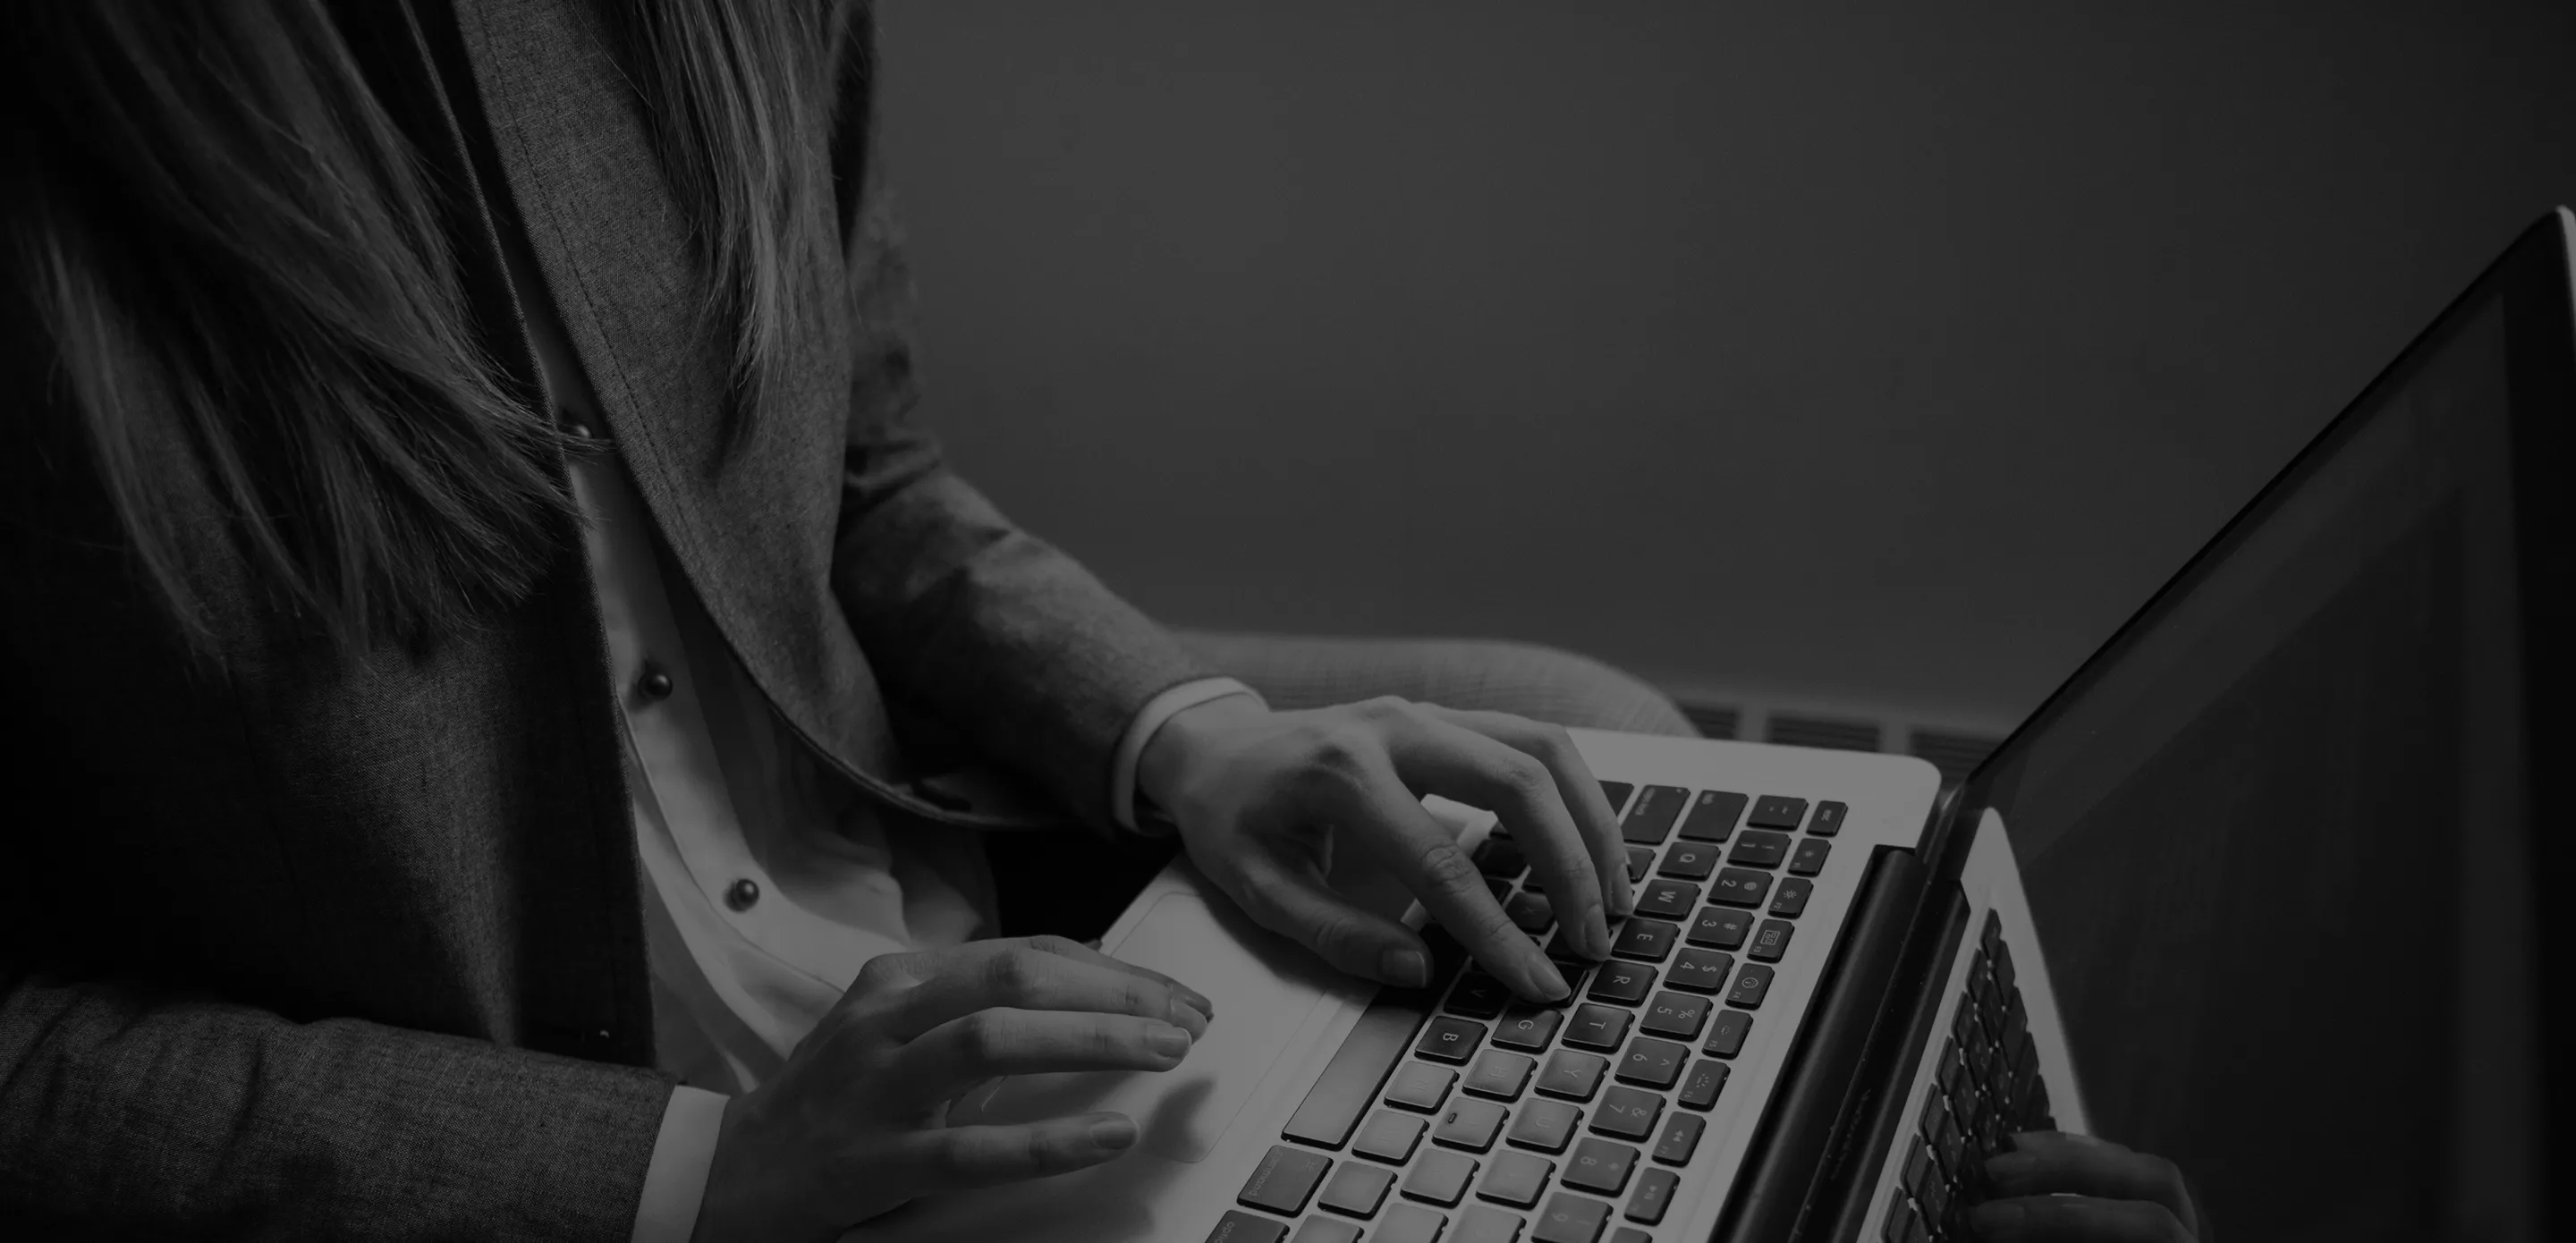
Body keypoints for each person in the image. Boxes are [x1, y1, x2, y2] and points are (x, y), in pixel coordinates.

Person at [0, 2, 2207, 1239]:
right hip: (567, 1149)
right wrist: (690, 1171)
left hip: (959, 934)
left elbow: (861, 480)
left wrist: (1186, 734)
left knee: (1598, 768)